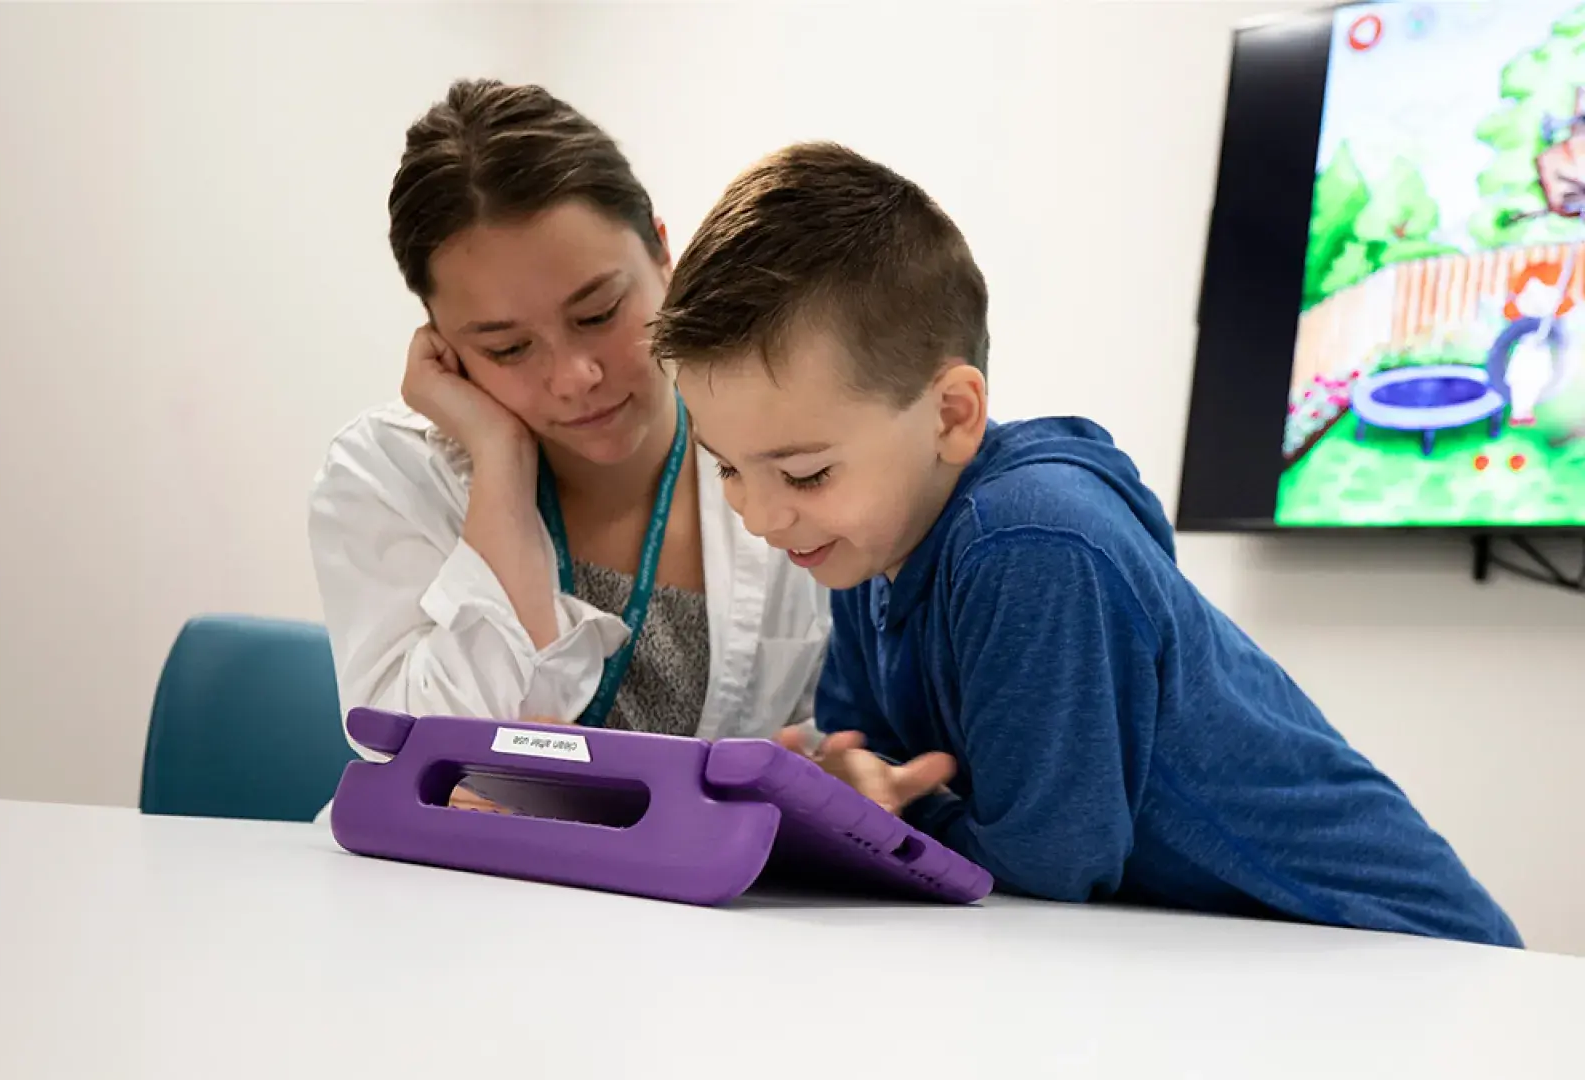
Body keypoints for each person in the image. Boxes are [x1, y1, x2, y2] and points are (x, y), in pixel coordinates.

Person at [649, 140, 1522, 948]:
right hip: (1221, 960)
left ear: (952, 415)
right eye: (728, 469)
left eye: (802, 475)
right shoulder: (857, 543)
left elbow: (1049, 863)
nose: (760, 517)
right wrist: (855, 789)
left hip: (1401, 960)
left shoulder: (1029, 544)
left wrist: (881, 811)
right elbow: (863, 760)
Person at [307, 81, 830, 804]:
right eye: (509, 348)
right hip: (461, 906)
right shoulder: (388, 474)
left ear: (662, 255)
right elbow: (430, 765)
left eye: (598, 313)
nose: (574, 378)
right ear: (441, 345)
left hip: (711, 907)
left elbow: (829, 738)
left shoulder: (787, 446)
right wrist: (499, 468)